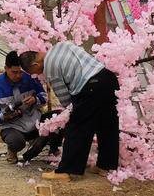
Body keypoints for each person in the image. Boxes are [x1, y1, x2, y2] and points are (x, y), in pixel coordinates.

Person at [20, 42, 119, 181]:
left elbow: (65, 99)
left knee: (77, 127)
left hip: (90, 86)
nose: (38, 74)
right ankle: (106, 165)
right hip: (107, 78)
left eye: (35, 72)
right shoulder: (60, 46)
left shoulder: (50, 69)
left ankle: (67, 170)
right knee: (107, 125)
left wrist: (71, 113)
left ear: (35, 65)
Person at [0, 51, 60, 163]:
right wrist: (2, 116)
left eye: (20, 72)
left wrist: (35, 100)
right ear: (6, 68)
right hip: (11, 126)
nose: (18, 75)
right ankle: (12, 150)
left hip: (35, 121)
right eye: (14, 72)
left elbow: (44, 96)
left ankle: (53, 150)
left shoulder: (31, 78)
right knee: (16, 142)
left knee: (58, 118)